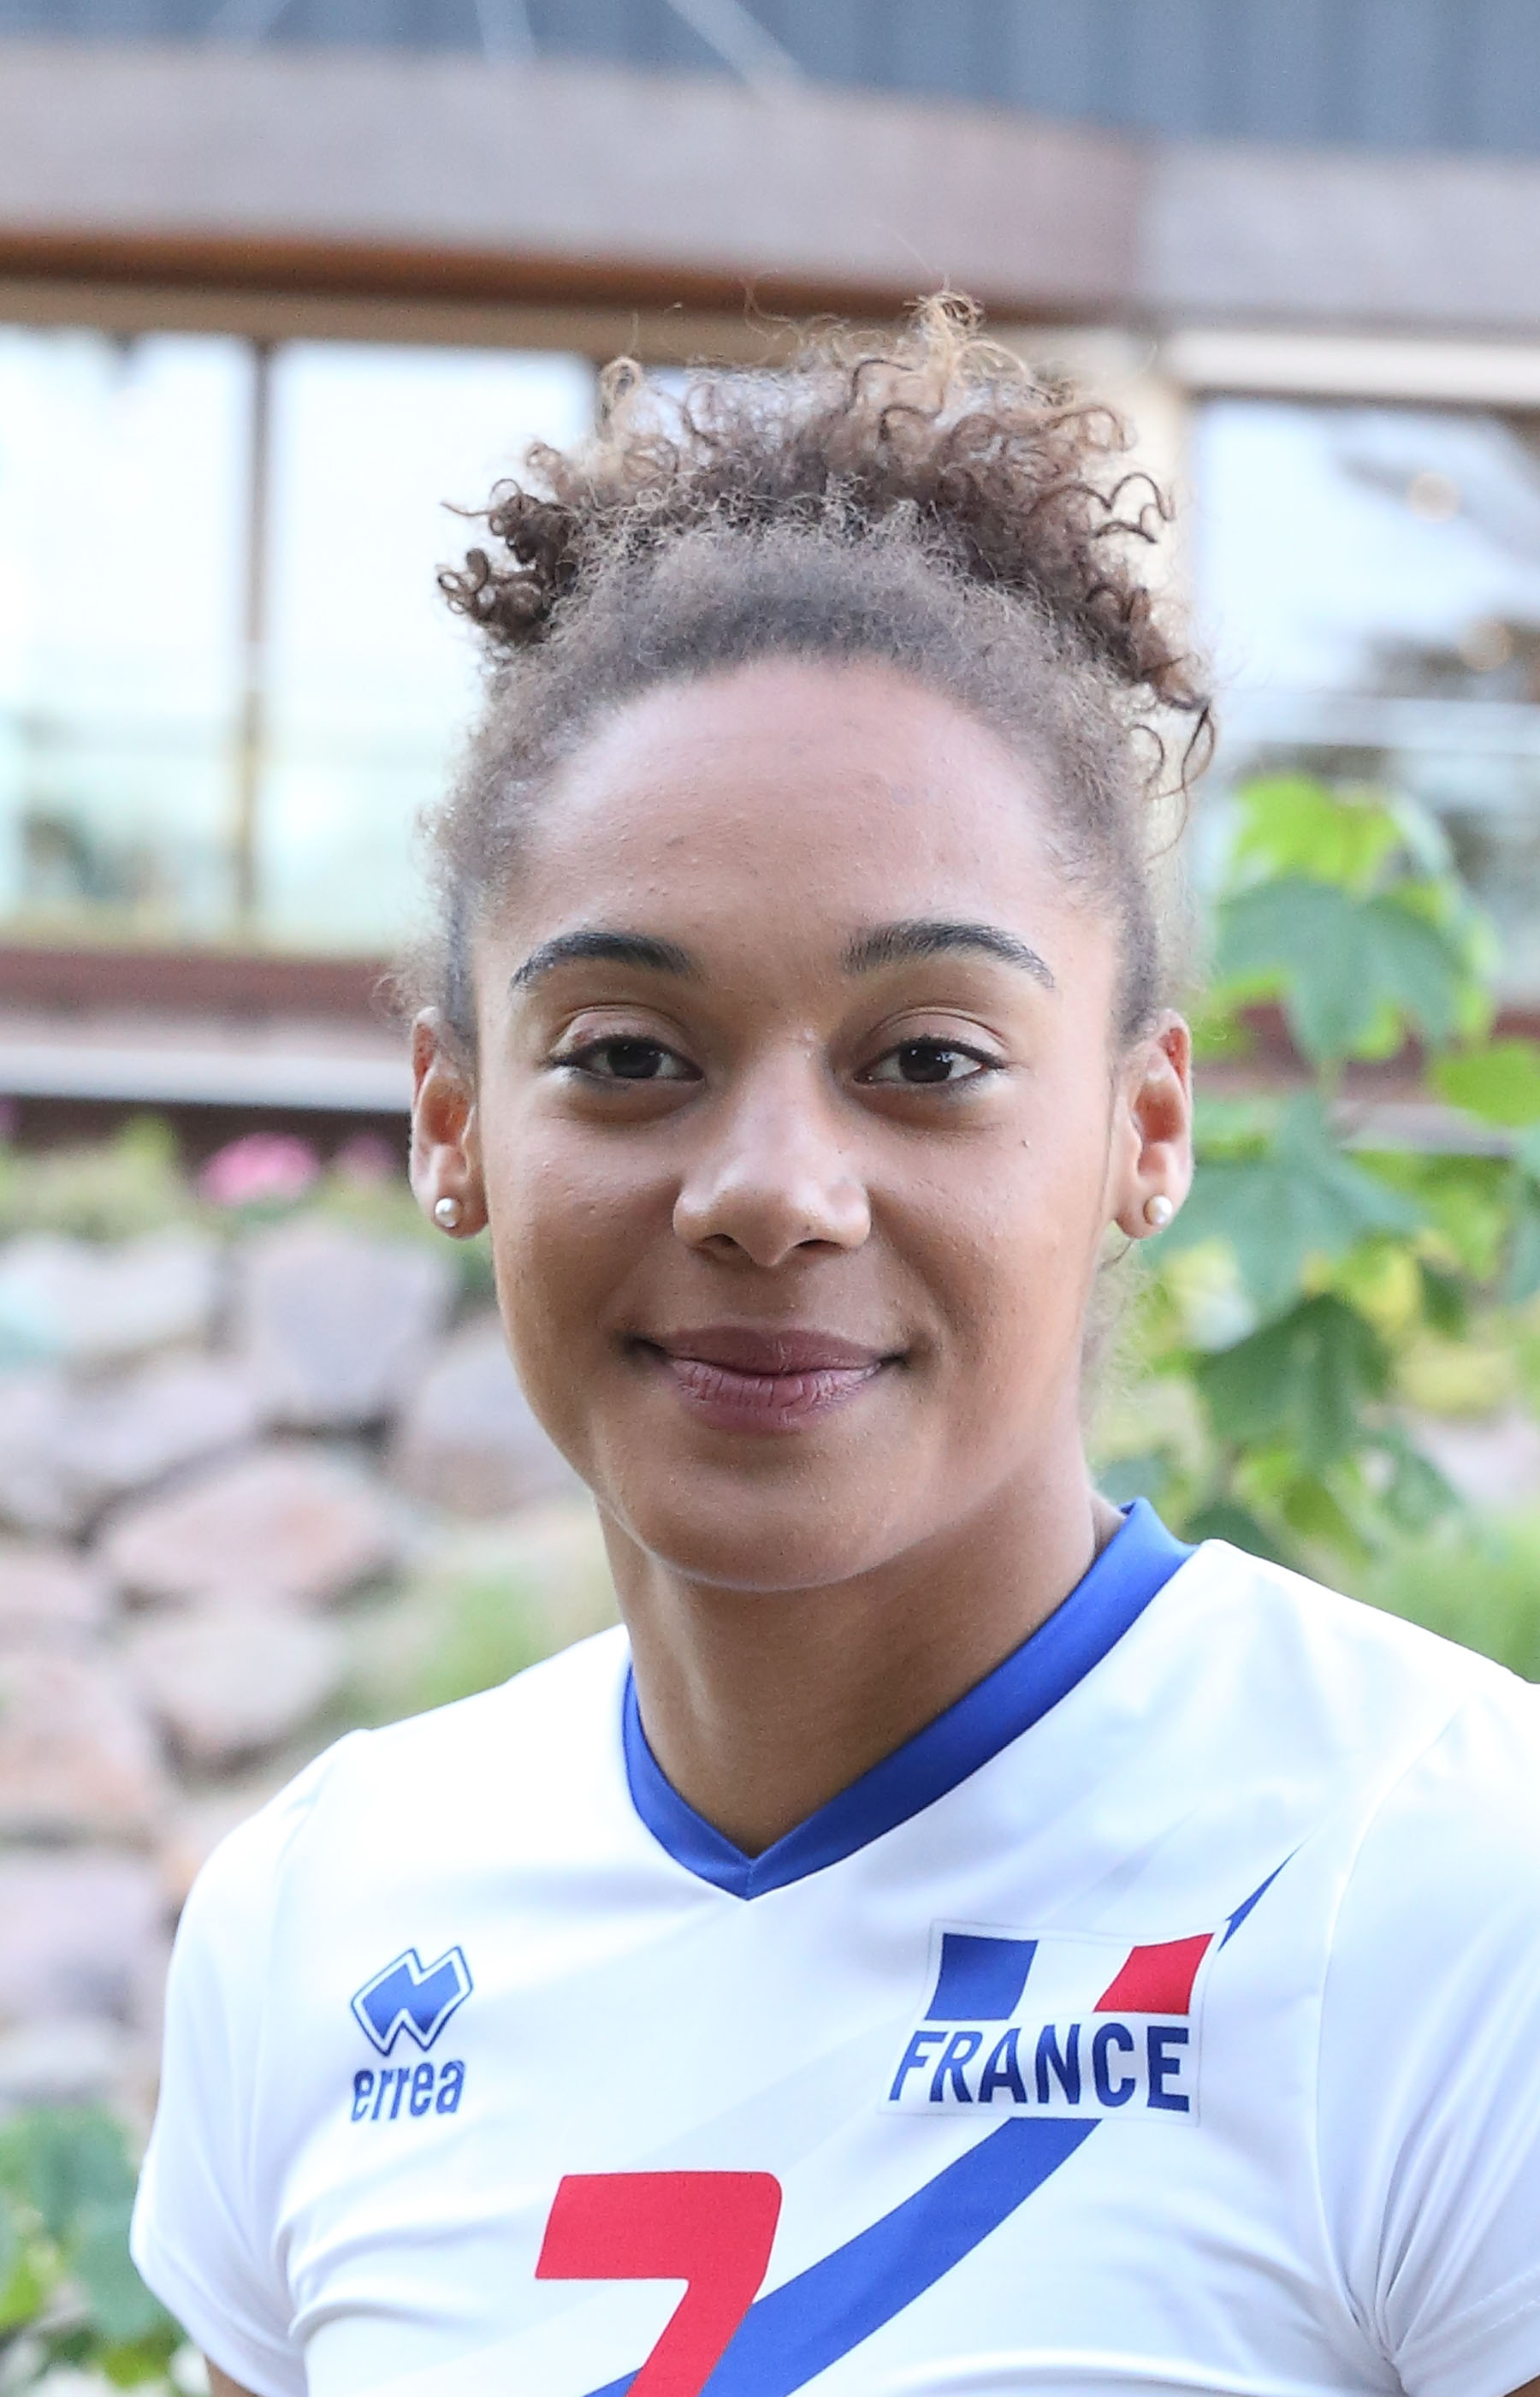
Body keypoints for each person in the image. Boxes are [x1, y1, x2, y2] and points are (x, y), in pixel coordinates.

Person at [131, 301, 1540, 2397]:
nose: (771, 1192)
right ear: (453, 1122)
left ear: (1145, 1130)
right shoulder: (322, 1921)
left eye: (929, 1059)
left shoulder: (1447, 1889)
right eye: (628, 1054)